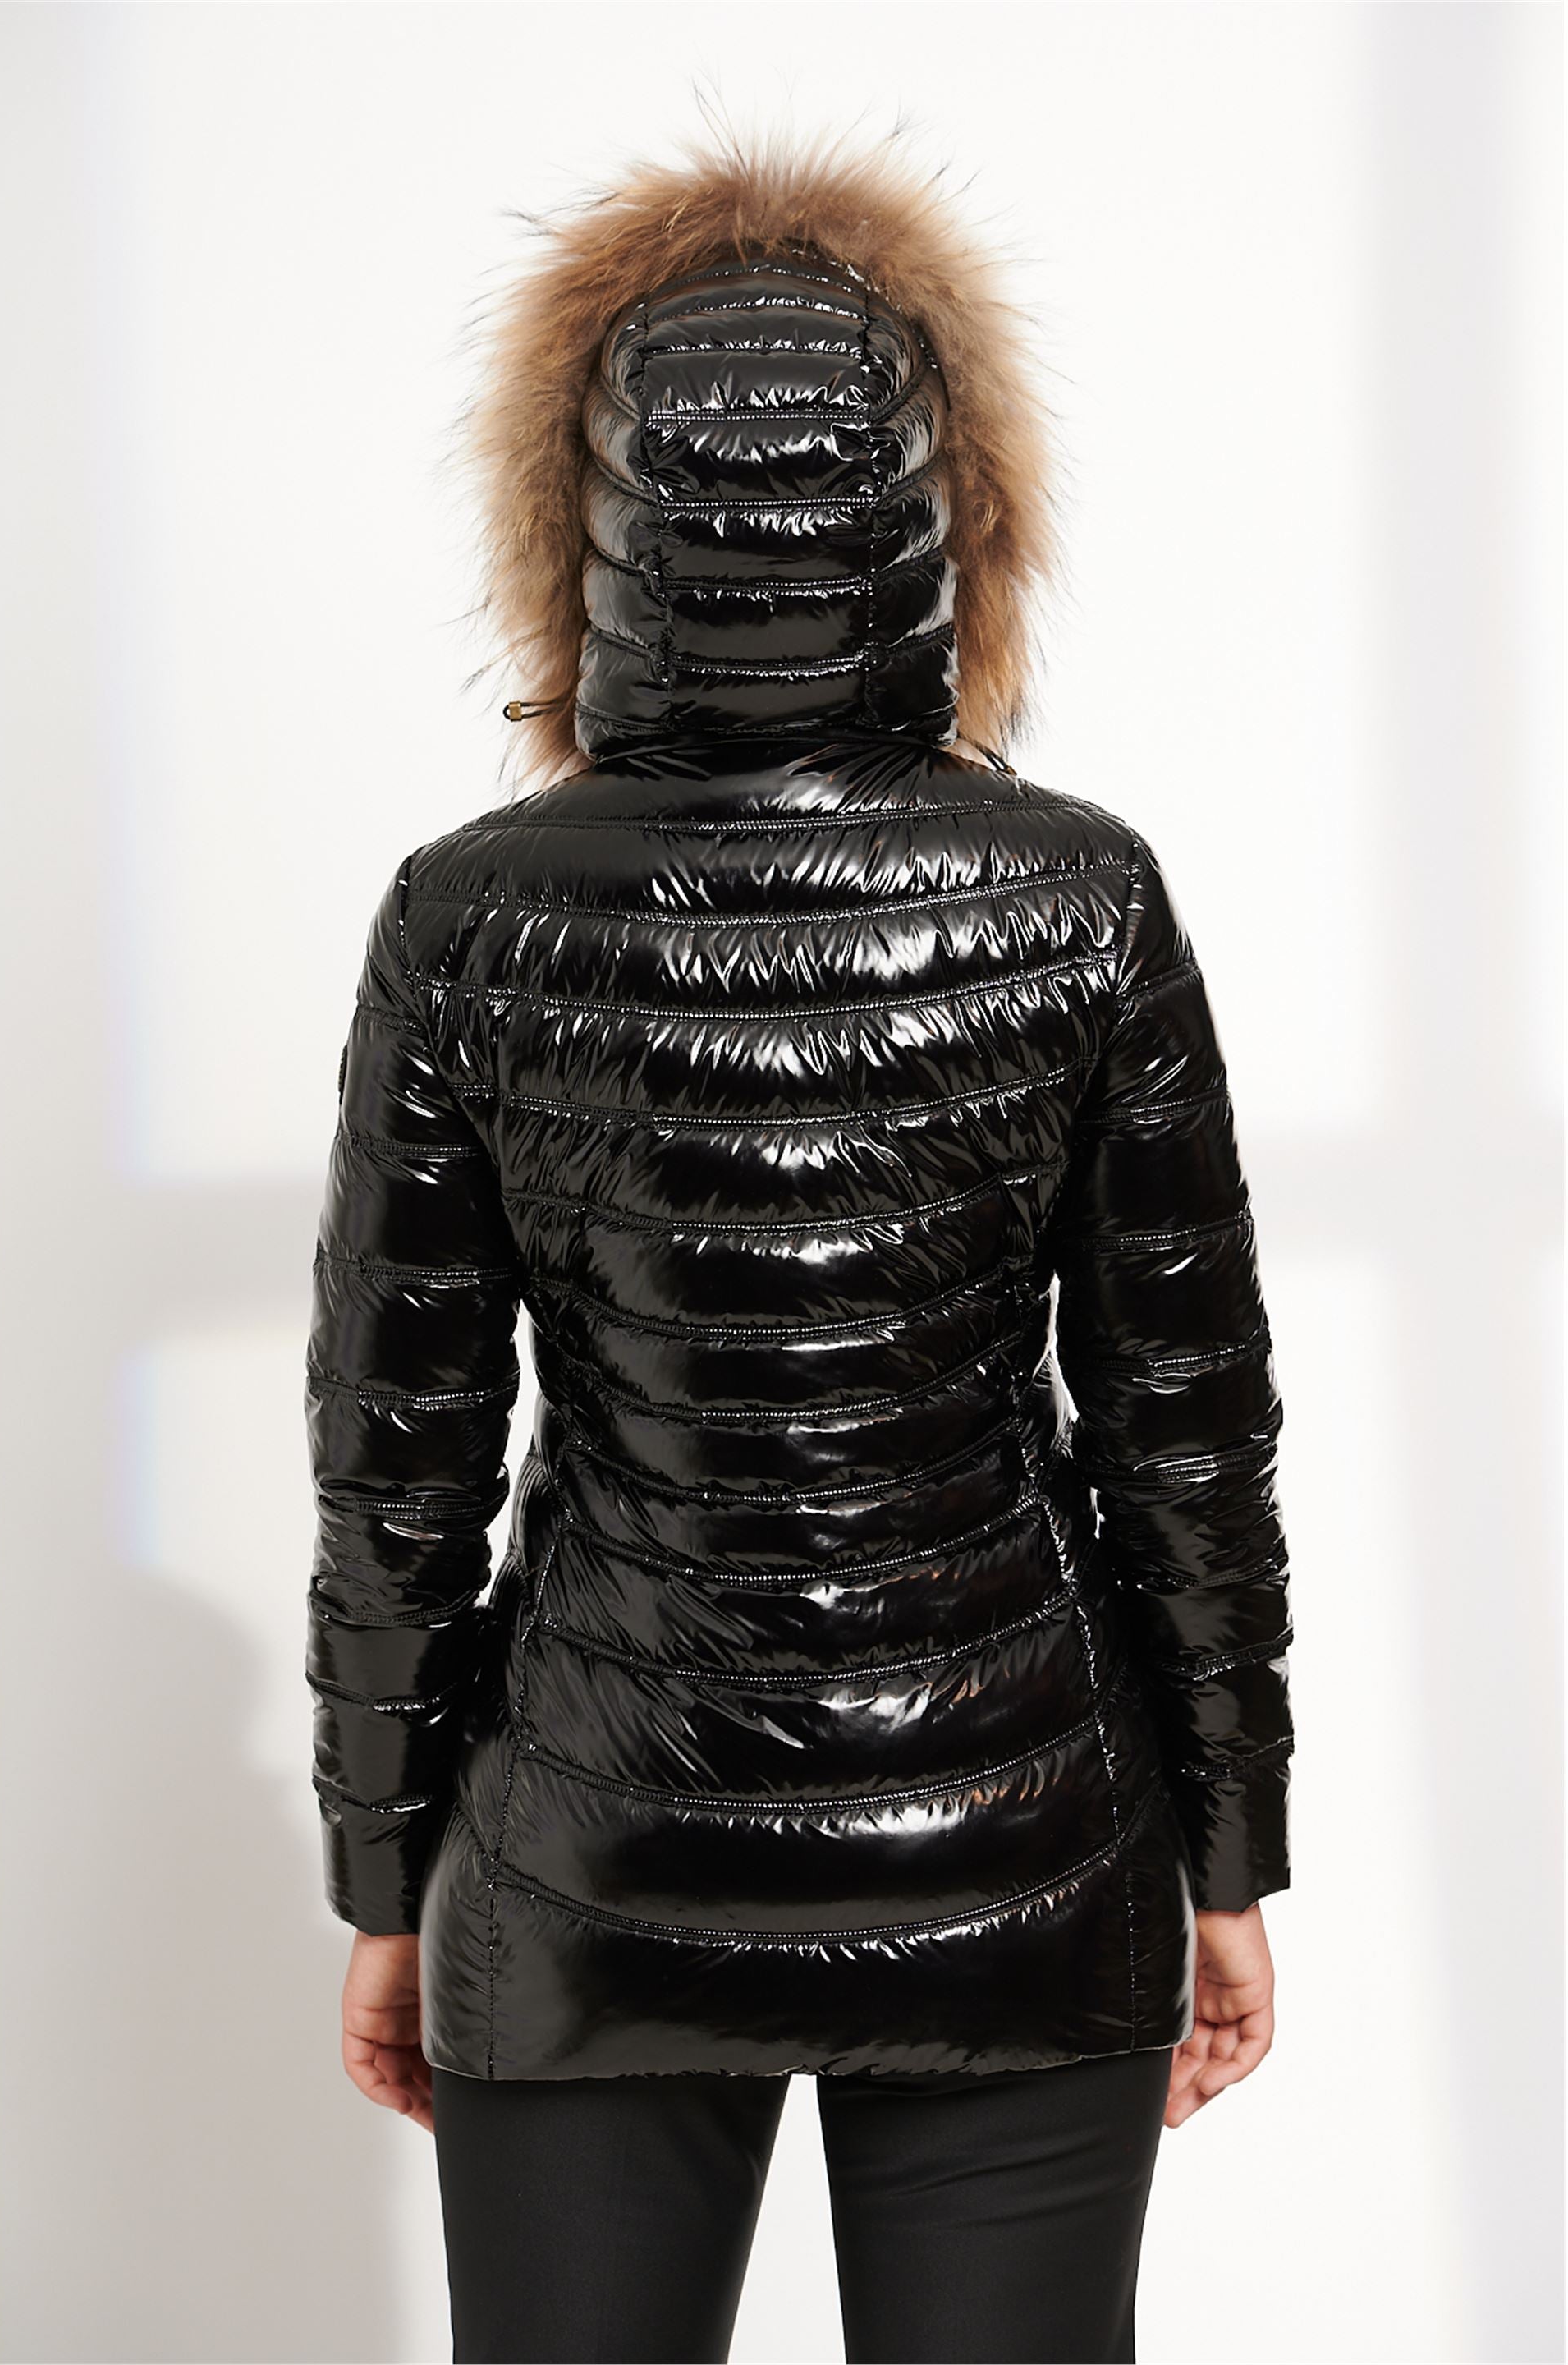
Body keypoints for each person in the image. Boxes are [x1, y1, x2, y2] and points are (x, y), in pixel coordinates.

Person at [304, 126, 1295, 2365]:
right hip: (1030, 1839)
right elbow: (1187, 1436)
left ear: (586, 527)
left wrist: (387, 1881)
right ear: (949, 521)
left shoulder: (467, 913)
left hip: (587, 1850)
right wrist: (1231, 1848)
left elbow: (399, 1466)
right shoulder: (1083, 892)